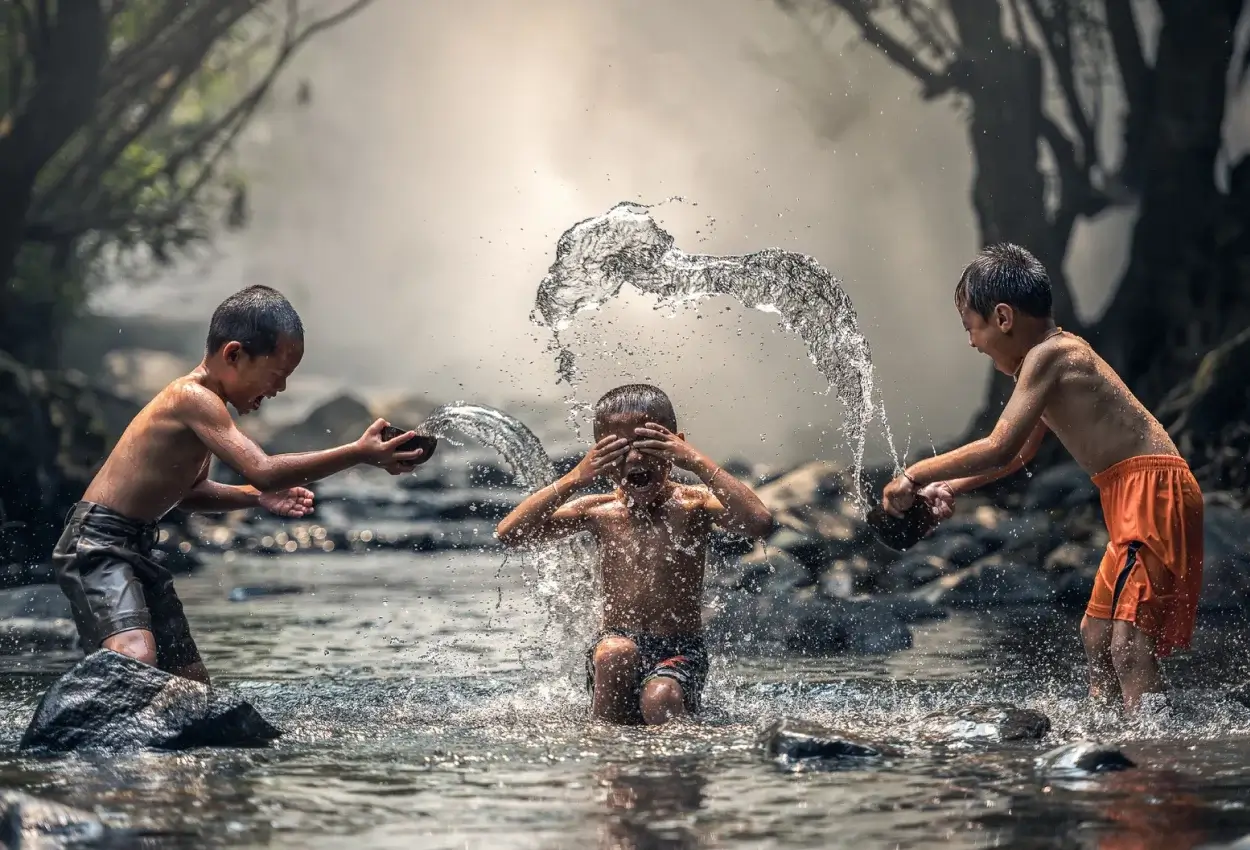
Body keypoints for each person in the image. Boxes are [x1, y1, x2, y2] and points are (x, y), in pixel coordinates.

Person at [881, 244, 1203, 714]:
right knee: (1097, 634)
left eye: (972, 327)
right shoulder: (1048, 362)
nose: (972, 342)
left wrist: (912, 475)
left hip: (1152, 492)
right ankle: (1108, 736)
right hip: (1132, 493)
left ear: (1004, 318)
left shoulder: (1052, 355)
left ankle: (1152, 757)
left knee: (1129, 642)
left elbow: (999, 445)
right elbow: (1017, 457)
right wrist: (951, 487)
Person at [53, 285, 428, 685]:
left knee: (191, 683)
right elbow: (263, 469)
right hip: (98, 543)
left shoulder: (208, 411)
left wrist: (254, 498)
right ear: (234, 355)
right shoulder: (191, 397)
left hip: (137, 547)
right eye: (277, 375)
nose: (280, 389)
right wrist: (357, 452)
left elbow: (192, 494)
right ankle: (75, 729)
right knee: (136, 655)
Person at [495, 384, 774, 725]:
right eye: (618, 450)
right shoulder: (599, 510)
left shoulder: (694, 505)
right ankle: (606, 756)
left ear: (676, 446)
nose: (635, 459)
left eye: (647, 444)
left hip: (680, 650)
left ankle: (670, 768)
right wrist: (575, 477)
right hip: (613, 645)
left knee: (661, 698)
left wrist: (698, 462)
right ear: (598, 456)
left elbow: (759, 522)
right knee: (616, 653)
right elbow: (511, 534)